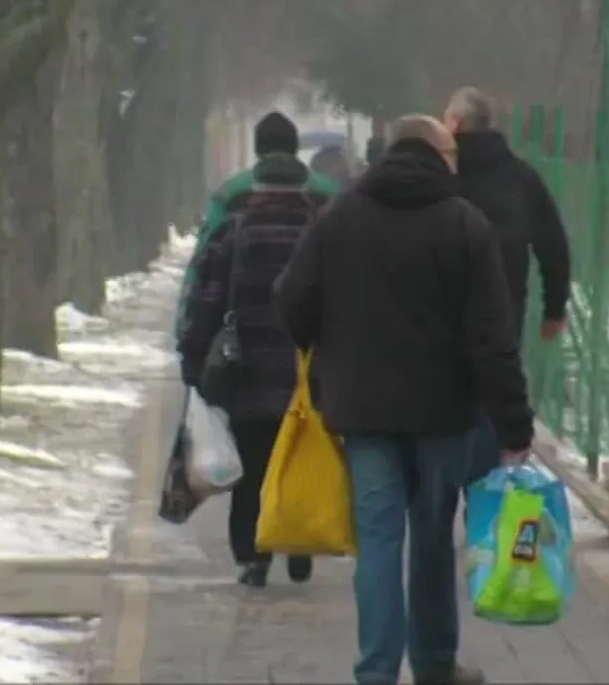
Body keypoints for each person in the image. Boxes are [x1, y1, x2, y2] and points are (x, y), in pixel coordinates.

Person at [275, 115, 534, 685]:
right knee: (433, 536)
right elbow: (492, 337)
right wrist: (514, 424)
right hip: (443, 415)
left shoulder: (339, 217)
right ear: (440, 155)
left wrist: (331, 349)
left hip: (363, 410)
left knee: (378, 540)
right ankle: (435, 663)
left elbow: (292, 299)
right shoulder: (464, 224)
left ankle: (375, 670)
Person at [176, 131, 329, 588]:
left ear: (257, 185)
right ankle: (300, 540)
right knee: (299, 457)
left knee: (253, 464)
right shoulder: (321, 233)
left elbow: (207, 297)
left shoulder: (233, 232)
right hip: (306, 371)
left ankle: (252, 555)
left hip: (247, 368)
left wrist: (192, 357)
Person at [443, 86, 571, 484]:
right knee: (493, 394)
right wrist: (554, 307)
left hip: (438, 309)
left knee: (443, 399)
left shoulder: (439, 174)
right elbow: (553, 245)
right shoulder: (521, 176)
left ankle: (444, 488)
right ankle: (482, 492)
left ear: (456, 124)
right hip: (503, 310)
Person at [176, 112, 337, 332]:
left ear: (257, 150)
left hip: (247, 327)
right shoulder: (328, 193)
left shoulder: (231, 194)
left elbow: (205, 260)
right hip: (315, 330)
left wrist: (187, 325)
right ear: (295, 148)